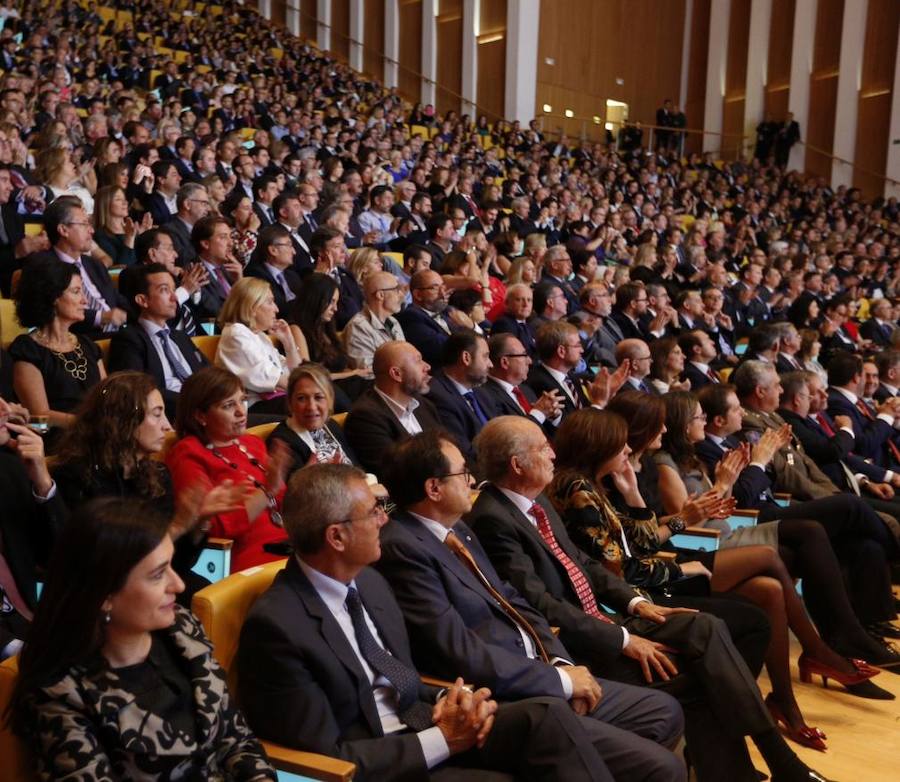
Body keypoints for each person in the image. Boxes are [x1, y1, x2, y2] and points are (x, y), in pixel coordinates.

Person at [468, 416, 832, 782]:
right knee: (706, 672)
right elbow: (540, 605)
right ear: (517, 465)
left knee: (705, 625)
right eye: (542, 448)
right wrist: (624, 639)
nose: (552, 453)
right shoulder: (494, 518)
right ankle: (770, 763)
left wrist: (638, 604)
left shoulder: (536, 503)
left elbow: (588, 566)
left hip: (611, 614)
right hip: (577, 641)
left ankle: (765, 762)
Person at [236, 462, 624, 782]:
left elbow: (399, 676)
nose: (384, 522)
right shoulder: (277, 628)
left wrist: (453, 702)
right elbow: (325, 755)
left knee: (545, 716)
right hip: (382, 763)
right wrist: (445, 740)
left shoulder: (369, 582)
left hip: (425, 724)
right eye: (373, 512)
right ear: (336, 536)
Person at [377, 431, 687, 782]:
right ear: (434, 488)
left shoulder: (457, 529)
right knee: (662, 767)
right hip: (502, 693)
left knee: (664, 712)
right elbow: (458, 650)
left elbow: (514, 600)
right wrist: (558, 681)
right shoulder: (403, 549)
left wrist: (559, 662)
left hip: (539, 665)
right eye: (462, 474)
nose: (471, 481)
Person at [8, 496, 277, 781]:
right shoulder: (62, 692)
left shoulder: (183, 630)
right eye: (158, 575)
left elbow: (238, 742)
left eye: (171, 566)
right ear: (105, 596)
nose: (179, 584)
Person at [50, 372, 245, 600]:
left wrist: (199, 522)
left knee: (219, 597)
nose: (167, 426)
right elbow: (115, 568)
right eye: (157, 415)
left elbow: (179, 564)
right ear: (124, 421)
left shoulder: (158, 475)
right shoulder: (77, 477)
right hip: (108, 596)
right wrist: (180, 524)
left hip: (156, 583)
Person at [166, 367, 290, 571]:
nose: (241, 412)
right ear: (200, 416)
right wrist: (267, 490)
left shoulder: (252, 443)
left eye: (243, 400)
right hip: (241, 559)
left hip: (287, 545)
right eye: (228, 405)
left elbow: (280, 501)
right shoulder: (187, 453)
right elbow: (212, 527)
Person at [9, 255, 105, 431]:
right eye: (76, 292)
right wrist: (89, 425)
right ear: (53, 297)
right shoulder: (27, 350)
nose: (85, 300)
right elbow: (38, 418)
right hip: (57, 441)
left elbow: (106, 396)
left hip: (96, 435)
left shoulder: (88, 345)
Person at [0, 394, 60, 660]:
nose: (5, 407)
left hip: (31, 622)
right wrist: (13, 648)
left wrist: (42, 481)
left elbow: (63, 556)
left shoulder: (10, 466)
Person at [109, 263, 209, 419]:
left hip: (204, 410)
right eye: (164, 290)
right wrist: (194, 403)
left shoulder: (180, 337)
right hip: (171, 416)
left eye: (173, 289)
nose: (174, 296)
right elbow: (138, 391)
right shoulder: (128, 339)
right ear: (142, 300)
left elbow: (209, 372)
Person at [343, 341, 443, 475]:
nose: (427, 366)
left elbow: (449, 448)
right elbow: (395, 474)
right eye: (418, 361)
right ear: (396, 374)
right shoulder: (365, 417)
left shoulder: (424, 405)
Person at [215, 277, 302, 413]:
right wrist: (308, 390)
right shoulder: (236, 333)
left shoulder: (260, 336)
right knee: (306, 404)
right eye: (270, 302)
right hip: (250, 409)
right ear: (252, 307)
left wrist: (289, 343)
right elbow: (277, 380)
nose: (277, 309)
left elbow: (295, 373)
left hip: (274, 402)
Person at [266, 364, 358, 479]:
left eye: (318, 397)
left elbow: (357, 469)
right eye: (301, 398)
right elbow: (293, 493)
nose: (311, 407)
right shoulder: (283, 442)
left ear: (330, 400)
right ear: (290, 403)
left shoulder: (332, 426)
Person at [342, 269, 406, 370]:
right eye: (396, 290)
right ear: (380, 295)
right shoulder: (358, 327)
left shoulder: (394, 322)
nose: (401, 295)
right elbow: (367, 372)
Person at [244, 224, 303, 321]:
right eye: (289, 245)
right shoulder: (256, 275)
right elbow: (278, 307)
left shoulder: (293, 276)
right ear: (273, 250)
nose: (294, 251)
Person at [92, 184, 151, 267]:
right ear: (105, 204)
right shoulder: (100, 236)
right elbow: (120, 268)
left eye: (124, 199)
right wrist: (129, 238)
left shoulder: (131, 230)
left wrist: (146, 235)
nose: (125, 202)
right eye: (118, 199)